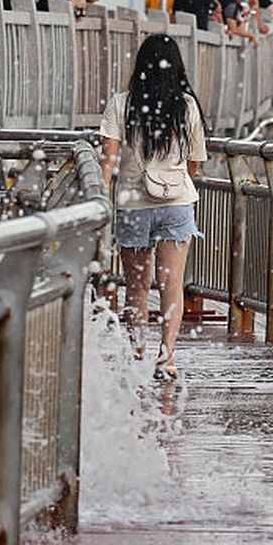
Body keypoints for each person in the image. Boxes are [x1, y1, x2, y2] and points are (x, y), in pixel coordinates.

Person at [98, 33, 208, 383]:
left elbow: (108, 161)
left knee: (137, 285)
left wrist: (99, 199)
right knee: (171, 284)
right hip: (176, 202)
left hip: (132, 204)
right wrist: (172, 180)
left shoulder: (121, 104)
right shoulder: (187, 106)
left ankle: (138, 352)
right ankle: (167, 357)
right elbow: (194, 162)